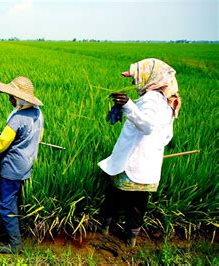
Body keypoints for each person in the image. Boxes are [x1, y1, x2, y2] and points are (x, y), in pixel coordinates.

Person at [98, 58, 181, 248]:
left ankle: (104, 229)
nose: (134, 83)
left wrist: (127, 105)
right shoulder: (167, 101)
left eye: (137, 78)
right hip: (148, 165)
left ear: (149, 77)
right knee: (138, 205)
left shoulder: (150, 99)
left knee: (114, 195)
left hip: (132, 162)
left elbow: (147, 126)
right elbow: (167, 136)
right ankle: (131, 239)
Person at [0, 76, 44, 254]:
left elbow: (0, 145)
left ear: (20, 98)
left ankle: (15, 244)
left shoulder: (17, 119)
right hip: (27, 165)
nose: (9, 98)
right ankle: (14, 233)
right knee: (14, 200)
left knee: (5, 203)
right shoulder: (37, 113)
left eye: (12, 95)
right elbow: (38, 137)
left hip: (12, 168)